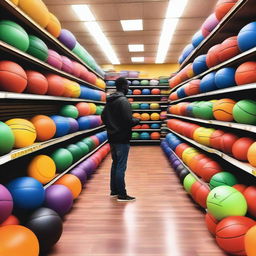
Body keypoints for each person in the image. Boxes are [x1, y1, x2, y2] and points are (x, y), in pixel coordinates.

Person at [101, 77, 140, 202]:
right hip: (122, 138)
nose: (128, 88)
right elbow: (128, 121)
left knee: (115, 164)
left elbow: (103, 117)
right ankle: (122, 195)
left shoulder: (110, 100)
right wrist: (137, 120)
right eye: (127, 86)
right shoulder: (123, 101)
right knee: (121, 166)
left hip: (112, 137)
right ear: (124, 86)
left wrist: (111, 127)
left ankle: (114, 191)